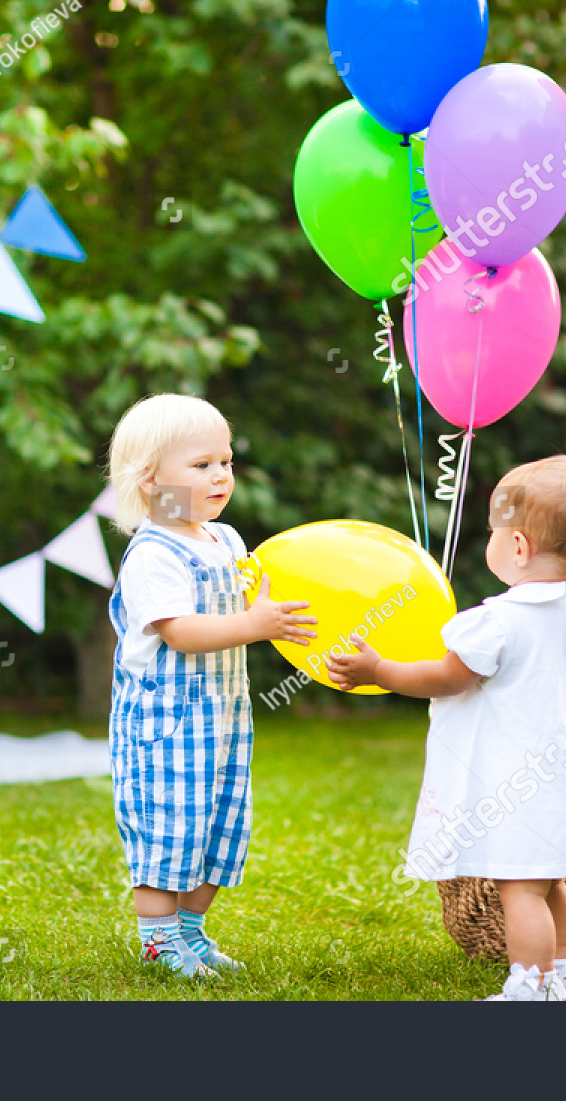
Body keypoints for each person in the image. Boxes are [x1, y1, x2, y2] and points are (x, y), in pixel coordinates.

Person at [326, 455, 566, 1001]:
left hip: (516, 784)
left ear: (519, 547)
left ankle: (529, 987)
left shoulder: (499, 622)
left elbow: (447, 677)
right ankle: (563, 976)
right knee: (550, 881)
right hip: (565, 777)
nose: (490, 540)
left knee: (520, 890)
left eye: (494, 531)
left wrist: (379, 671)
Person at [105, 394, 317, 978]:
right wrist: (253, 624)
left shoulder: (224, 540)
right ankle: (157, 940)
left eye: (225, 461)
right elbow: (182, 632)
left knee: (220, 826)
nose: (221, 475)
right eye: (201, 465)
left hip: (222, 718)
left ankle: (191, 931)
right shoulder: (153, 554)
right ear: (150, 481)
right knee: (169, 828)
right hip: (165, 726)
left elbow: (251, 600)